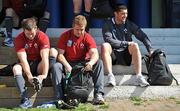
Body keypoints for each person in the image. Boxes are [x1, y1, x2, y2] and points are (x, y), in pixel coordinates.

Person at [50, 15, 105, 105]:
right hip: (68, 64)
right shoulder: (65, 36)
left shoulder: (87, 37)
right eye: (77, 29)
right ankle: (59, 98)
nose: (79, 32)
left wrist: (91, 63)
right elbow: (60, 55)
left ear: (85, 28)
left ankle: (98, 95)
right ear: (73, 27)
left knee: (99, 63)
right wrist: (66, 65)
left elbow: (95, 53)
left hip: (83, 65)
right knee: (56, 66)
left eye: (82, 29)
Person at [101, 5, 153, 87]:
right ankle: (110, 76)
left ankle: (139, 77)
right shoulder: (107, 24)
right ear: (115, 14)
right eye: (122, 13)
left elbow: (142, 35)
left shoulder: (129, 24)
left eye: (126, 13)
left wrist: (150, 49)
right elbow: (109, 40)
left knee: (134, 45)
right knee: (105, 45)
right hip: (113, 55)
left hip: (126, 56)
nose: (125, 15)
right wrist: (126, 43)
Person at [13, 17, 50, 109]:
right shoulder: (19, 39)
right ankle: (25, 99)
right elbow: (23, 60)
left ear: (36, 28)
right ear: (23, 30)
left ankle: (40, 80)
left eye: (32, 33)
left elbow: (45, 57)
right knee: (16, 68)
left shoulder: (43, 36)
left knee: (47, 57)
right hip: (26, 65)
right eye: (27, 34)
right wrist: (29, 76)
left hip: (38, 65)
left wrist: (44, 75)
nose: (30, 36)